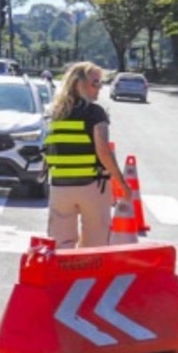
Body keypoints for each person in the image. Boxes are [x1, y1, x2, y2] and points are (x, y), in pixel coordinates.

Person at [44, 61, 130, 249]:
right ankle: (86, 277)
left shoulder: (55, 113)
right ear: (79, 84)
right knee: (95, 243)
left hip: (60, 186)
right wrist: (121, 183)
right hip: (92, 185)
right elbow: (103, 150)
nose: (100, 88)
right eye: (95, 83)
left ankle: (63, 277)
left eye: (101, 83)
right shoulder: (94, 112)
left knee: (60, 244)